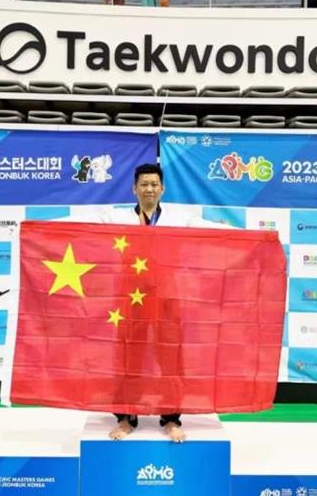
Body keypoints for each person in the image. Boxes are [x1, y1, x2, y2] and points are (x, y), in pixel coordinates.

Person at [66, 163, 232, 443]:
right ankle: (126, 417)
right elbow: (81, 224)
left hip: (168, 298)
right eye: (144, 184)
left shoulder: (179, 219)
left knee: (170, 358)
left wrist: (247, 234)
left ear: (162, 189)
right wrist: (38, 226)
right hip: (131, 299)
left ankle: (171, 418)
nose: (149, 189)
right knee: (129, 357)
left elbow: (211, 229)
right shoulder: (117, 218)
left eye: (154, 184)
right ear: (134, 188)